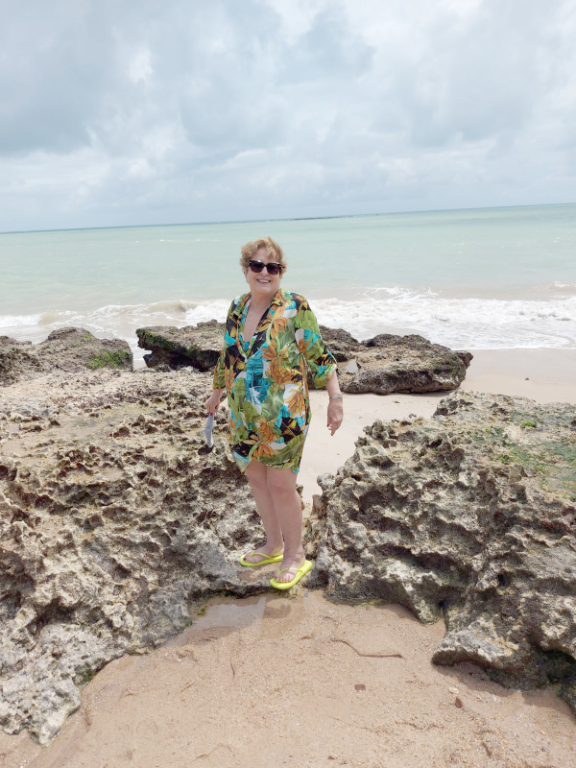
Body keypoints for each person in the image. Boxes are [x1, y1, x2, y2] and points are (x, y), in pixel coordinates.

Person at [205, 237, 343, 590]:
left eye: (273, 267)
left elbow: (319, 355)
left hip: (285, 413)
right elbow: (228, 356)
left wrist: (335, 398)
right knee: (255, 477)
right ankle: (273, 543)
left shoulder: (295, 307)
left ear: (281, 272)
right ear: (246, 269)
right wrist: (216, 393)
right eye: (257, 265)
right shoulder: (238, 307)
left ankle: (295, 554)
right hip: (244, 414)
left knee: (281, 484)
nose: (264, 273)